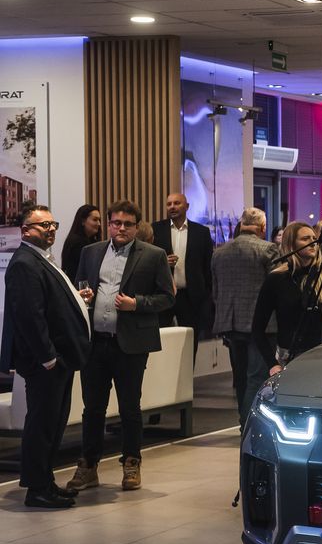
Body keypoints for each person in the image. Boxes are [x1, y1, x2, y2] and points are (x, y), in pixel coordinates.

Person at [67, 200, 175, 493]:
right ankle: (88, 466)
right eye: (116, 223)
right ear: (109, 224)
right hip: (95, 343)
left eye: (128, 224)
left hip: (130, 344)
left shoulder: (153, 255)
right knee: (93, 409)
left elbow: (167, 297)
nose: (121, 228)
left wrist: (136, 303)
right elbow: (79, 287)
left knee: (129, 408)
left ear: (137, 226)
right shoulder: (90, 252)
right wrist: (82, 295)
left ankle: (131, 463)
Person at [0, 205, 92, 508]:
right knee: (42, 425)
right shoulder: (25, 263)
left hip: (56, 360)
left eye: (53, 223)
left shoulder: (41, 259)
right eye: (43, 226)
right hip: (46, 363)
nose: (50, 229)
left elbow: (48, 304)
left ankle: (46, 482)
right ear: (26, 230)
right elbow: (30, 318)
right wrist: (48, 358)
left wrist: (76, 300)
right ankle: (37, 488)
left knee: (53, 423)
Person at [212, 207, 278, 432]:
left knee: (239, 377)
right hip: (262, 325)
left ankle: (243, 421)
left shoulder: (219, 252)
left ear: (241, 225)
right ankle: (250, 426)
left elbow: (215, 291)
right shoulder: (268, 249)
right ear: (262, 227)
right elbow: (275, 290)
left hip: (230, 324)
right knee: (257, 376)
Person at [251, 222, 322, 377]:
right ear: (291, 243)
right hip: (291, 355)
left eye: (314, 238)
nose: (312, 243)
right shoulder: (277, 279)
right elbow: (257, 328)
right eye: (305, 239)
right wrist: (272, 364)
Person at [151, 192, 214, 359]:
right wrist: (162, 262)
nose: (172, 207)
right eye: (169, 204)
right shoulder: (155, 229)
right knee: (160, 338)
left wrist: (206, 293)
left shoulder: (201, 232)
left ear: (187, 206)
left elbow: (208, 267)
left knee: (189, 341)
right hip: (163, 294)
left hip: (190, 296)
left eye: (176, 203)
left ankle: (186, 381)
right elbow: (147, 261)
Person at [61, 204, 102, 282]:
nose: (99, 224)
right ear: (83, 221)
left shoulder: (92, 242)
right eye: (95, 220)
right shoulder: (77, 243)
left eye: (99, 220)